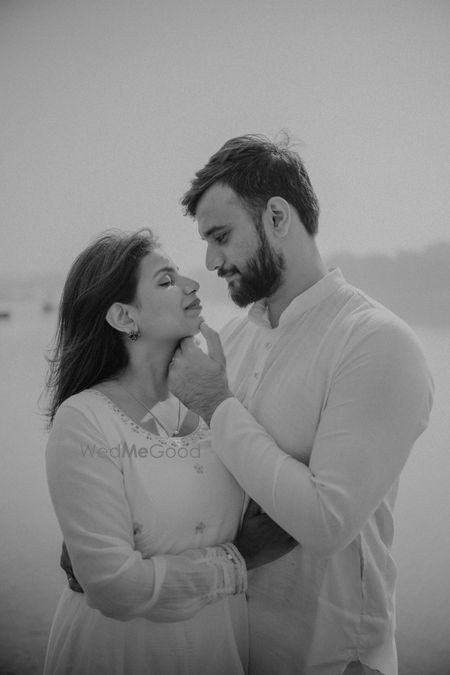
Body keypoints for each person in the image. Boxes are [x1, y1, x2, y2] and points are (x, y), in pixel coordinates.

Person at [166, 134, 434, 675]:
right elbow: (182, 478)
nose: (211, 261)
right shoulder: (230, 341)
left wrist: (217, 404)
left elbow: (325, 523)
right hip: (226, 653)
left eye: (221, 236)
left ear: (277, 217)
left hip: (334, 662)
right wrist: (107, 536)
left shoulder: (376, 342)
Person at [44, 228, 295, 675]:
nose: (193, 284)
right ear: (124, 317)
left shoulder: (213, 406)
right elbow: (113, 585)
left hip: (217, 645)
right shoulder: (85, 419)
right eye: (166, 280)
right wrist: (237, 561)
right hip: (120, 653)